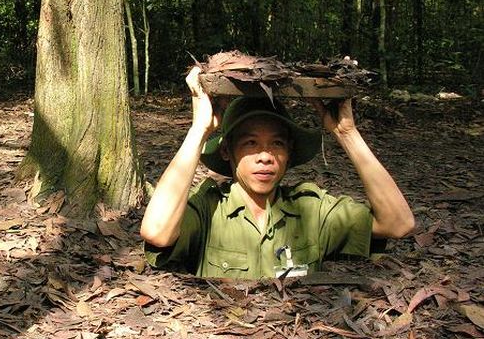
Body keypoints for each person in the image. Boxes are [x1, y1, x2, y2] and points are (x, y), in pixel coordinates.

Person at [140, 66, 415, 279]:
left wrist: (347, 134)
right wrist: (199, 130)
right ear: (227, 152)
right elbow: (157, 232)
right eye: (250, 143)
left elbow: (397, 224)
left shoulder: (311, 210)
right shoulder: (210, 210)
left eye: (277, 144)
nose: (265, 157)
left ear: (289, 153)